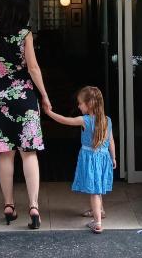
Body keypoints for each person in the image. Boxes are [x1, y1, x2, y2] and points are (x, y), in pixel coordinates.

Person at [0, 0, 52, 229]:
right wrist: (44, 94)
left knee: (5, 153)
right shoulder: (25, 34)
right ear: (22, 11)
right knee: (28, 152)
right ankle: (33, 206)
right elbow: (33, 67)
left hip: (1, 97)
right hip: (25, 98)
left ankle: (9, 205)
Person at [45, 85, 116, 234]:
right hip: (104, 158)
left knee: (95, 192)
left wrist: (49, 112)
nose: (78, 106)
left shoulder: (85, 120)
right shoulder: (107, 120)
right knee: (98, 187)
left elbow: (64, 120)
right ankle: (100, 210)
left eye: (80, 103)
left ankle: (97, 223)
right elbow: (111, 140)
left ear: (89, 104)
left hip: (91, 159)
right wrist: (113, 157)